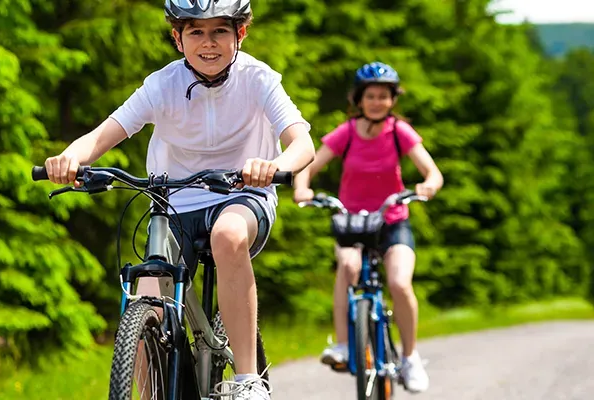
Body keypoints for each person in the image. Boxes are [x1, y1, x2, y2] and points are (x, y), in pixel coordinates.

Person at [44, 1, 315, 398]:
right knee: (148, 300)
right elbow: (103, 135)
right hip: (173, 203)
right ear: (177, 38)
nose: (208, 43)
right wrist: (71, 158)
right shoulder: (162, 85)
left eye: (220, 31)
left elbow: (302, 142)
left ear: (240, 33)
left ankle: (246, 379)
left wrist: (274, 165)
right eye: (196, 32)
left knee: (228, 235)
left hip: (241, 196)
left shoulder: (259, 79)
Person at [292, 61, 443, 393]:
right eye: (371, 96)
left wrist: (427, 186)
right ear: (358, 99)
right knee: (347, 267)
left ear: (393, 100)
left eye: (384, 96)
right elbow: (308, 164)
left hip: (392, 222)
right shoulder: (345, 132)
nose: (377, 102)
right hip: (353, 222)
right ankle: (345, 346)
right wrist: (302, 187)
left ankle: (410, 357)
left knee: (400, 283)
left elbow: (432, 171)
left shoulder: (399, 132)